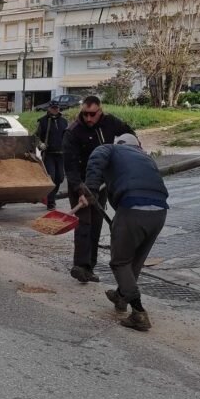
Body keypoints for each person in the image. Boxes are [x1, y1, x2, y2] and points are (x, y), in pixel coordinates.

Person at [79, 133, 168, 332]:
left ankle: (138, 312)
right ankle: (121, 297)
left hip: (132, 208)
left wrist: (91, 189)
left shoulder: (111, 149)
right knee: (135, 261)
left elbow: (95, 157)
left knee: (120, 262)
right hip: (160, 212)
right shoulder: (146, 158)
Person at [62, 95, 135, 283]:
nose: (88, 119)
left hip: (102, 183)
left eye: (92, 114)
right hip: (81, 182)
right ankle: (80, 266)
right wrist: (81, 190)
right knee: (84, 223)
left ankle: (90, 268)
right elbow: (70, 166)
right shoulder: (73, 132)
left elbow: (130, 136)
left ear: (100, 111)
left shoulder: (110, 123)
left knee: (95, 225)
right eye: (85, 114)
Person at [36, 101, 67, 209]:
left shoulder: (64, 122)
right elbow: (36, 137)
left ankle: (50, 197)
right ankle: (51, 202)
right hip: (49, 154)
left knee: (60, 178)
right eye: (53, 108)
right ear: (49, 108)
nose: (55, 110)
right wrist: (41, 144)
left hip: (61, 154)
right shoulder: (43, 121)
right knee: (52, 177)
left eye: (57, 108)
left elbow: (68, 137)